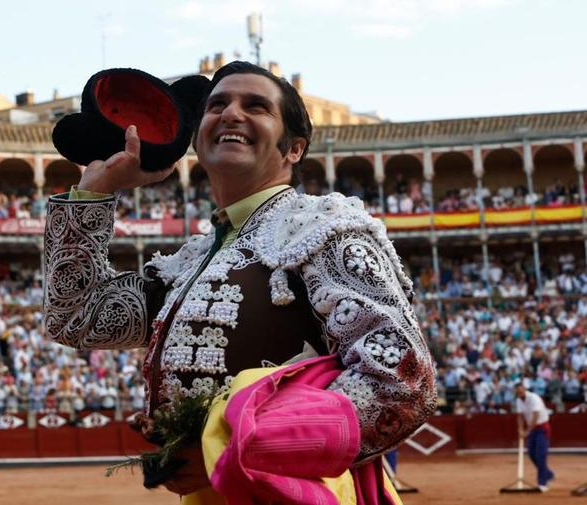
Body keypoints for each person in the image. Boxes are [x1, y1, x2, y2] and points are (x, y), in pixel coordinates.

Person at [44, 61, 436, 502]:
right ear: (197, 140)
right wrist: (94, 193)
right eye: (217, 105)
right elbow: (77, 317)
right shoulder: (192, 260)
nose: (231, 113)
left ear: (293, 149)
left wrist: (229, 450)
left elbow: (402, 380)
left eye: (256, 106)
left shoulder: (325, 230)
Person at [515, 383, 555, 491]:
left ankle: (542, 483)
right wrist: (520, 429)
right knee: (532, 454)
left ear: (524, 390)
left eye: (521, 391)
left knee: (541, 455)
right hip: (532, 429)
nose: (520, 393)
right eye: (518, 392)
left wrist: (527, 431)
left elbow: (536, 416)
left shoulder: (534, 398)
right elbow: (519, 416)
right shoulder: (518, 400)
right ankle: (548, 474)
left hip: (541, 428)